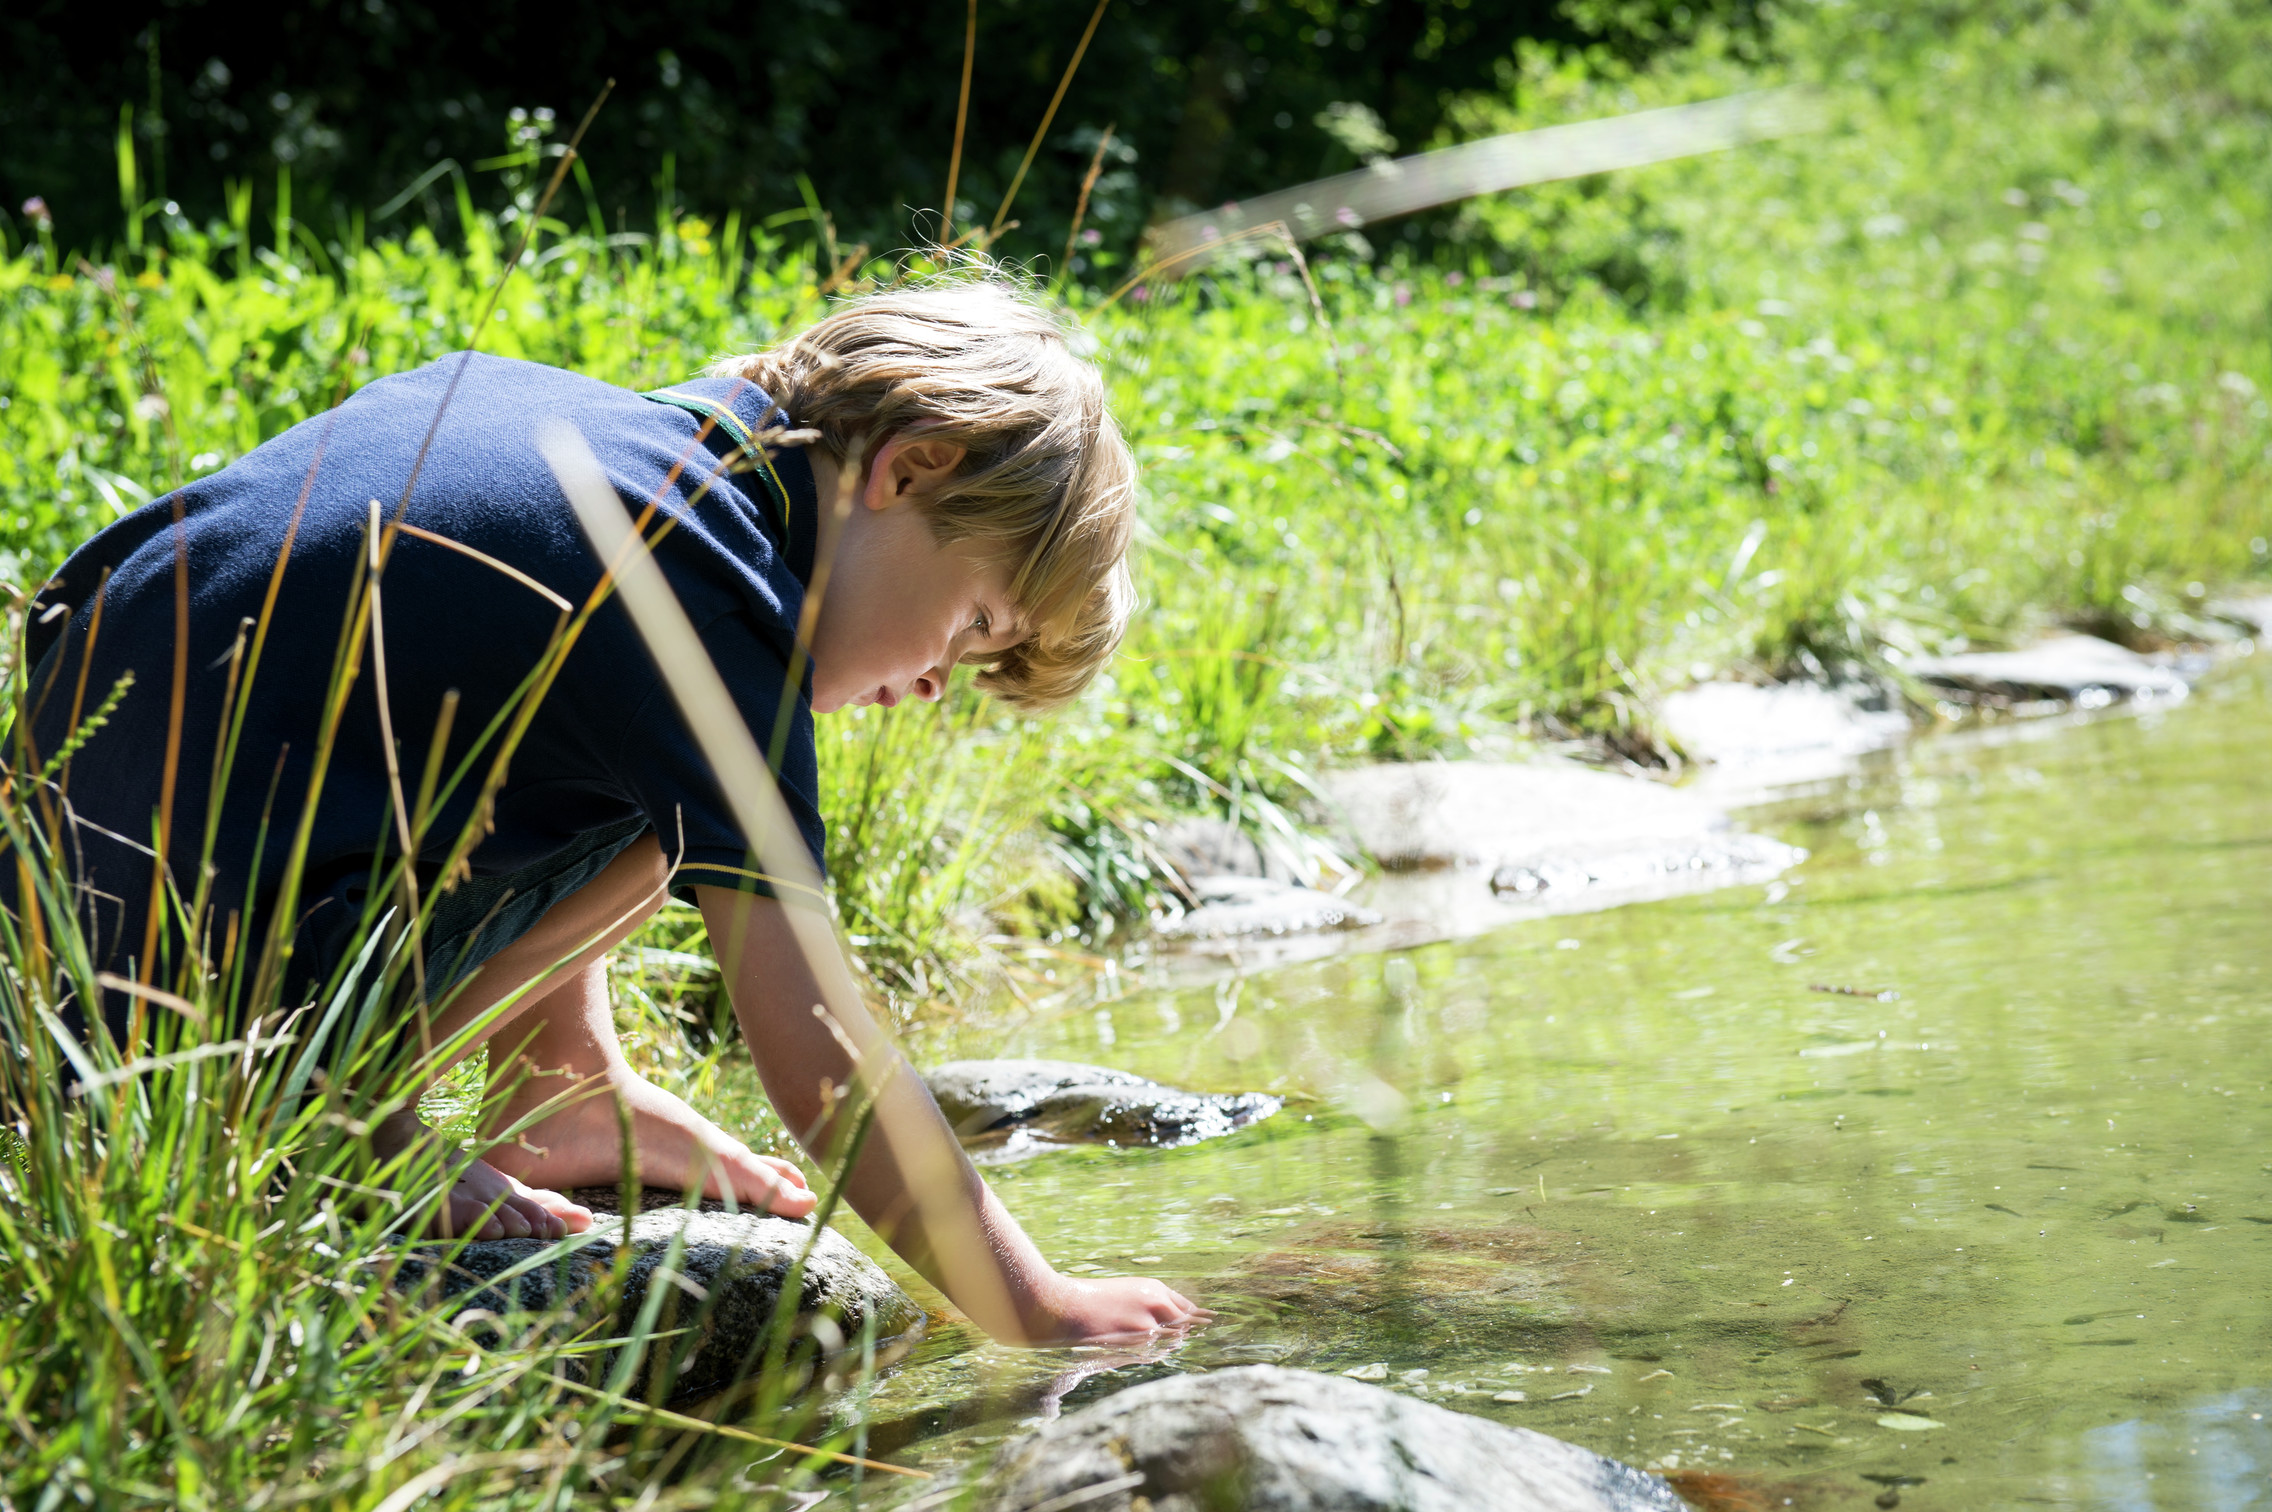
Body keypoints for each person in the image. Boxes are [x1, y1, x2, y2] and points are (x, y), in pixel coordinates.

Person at [18, 276, 1203, 1346]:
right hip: (152, 1029)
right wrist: (1038, 1309)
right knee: (707, 788)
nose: (942, 681)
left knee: (655, 785)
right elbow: (829, 1069)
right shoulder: (702, 600)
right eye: (978, 624)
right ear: (907, 470)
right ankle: (325, 1131)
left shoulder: (626, 449)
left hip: (66, 899)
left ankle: (561, 1082)